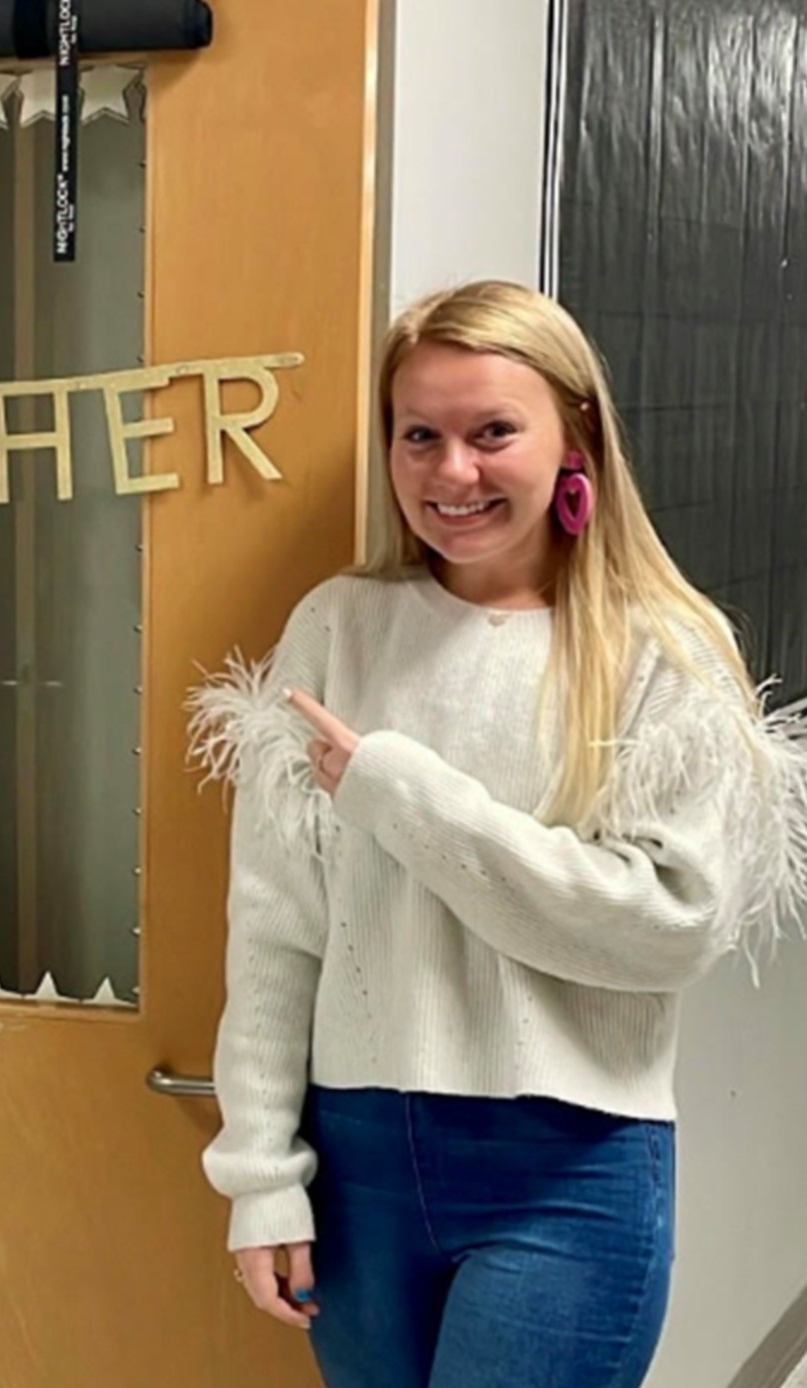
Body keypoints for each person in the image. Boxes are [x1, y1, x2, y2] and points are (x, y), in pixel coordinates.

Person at [187, 280, 807, 1388]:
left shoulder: (661, 649)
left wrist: (398, 792)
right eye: (416, 434)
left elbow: (663, 927)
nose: (449, 471)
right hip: (358, 1159)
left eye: (490, 433)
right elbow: (275, 927)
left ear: (573, 432)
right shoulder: (338, 627)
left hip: (568, 1165)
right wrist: (259, 1176)